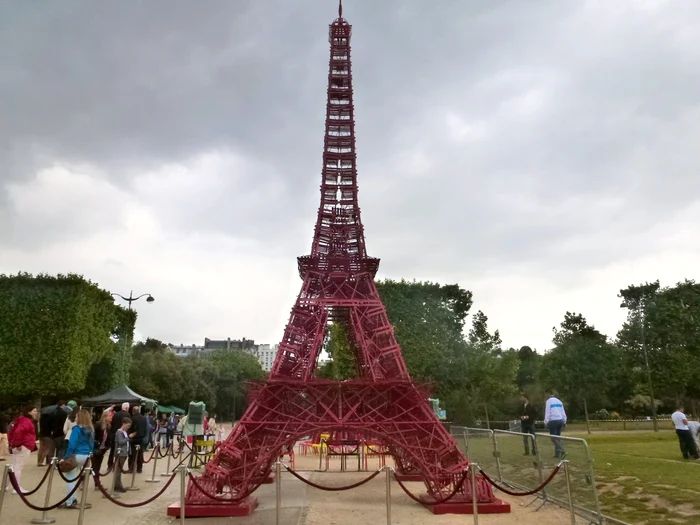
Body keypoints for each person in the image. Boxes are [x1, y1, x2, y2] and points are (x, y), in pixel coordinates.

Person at [59, 408, 94, 509]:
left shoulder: (76, 429)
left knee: (70, 478)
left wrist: (66, 457)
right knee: (79, 478)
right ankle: (75, 499)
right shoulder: (91, 429)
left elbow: (72, 444)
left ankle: (70, 501)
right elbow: (91, 444)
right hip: (86, 455)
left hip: (76, 454)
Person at [6, 405, 37, 492]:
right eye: (34, 411)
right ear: (29, 412)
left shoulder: (21, 420)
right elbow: (18, 432)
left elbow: (13, 431)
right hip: (23, 445)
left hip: (19, 444)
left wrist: (13, 443)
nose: (36, 412)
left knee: (13, 465)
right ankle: (16, 487)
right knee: (18, 467)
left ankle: (6, 485)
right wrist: (18, 444)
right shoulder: (27, 421)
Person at [92, 409, 114, 487]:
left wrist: (107, 447)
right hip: (95, 449)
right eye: (110, 416)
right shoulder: (98, 425)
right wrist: (96, 444)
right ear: (105, 417)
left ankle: (96, 483)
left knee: (97, 467)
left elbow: (108, 439)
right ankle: (97, 483)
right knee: (94, 467)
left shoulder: (108, 427)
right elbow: (92, 436)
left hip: (102, 449)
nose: (111, 417)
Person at [544, 391, 567, 458]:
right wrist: (564, 421)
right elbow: (563, 412)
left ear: (548, 394)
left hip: (553, 420)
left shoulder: (548, 401)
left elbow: (547, 412)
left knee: (554, 438)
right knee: (558, 437)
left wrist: (546, 421)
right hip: (560, 420)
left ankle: (563, 451)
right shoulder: (559, 401)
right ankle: (557, 454)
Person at [108, 403, 130, 469]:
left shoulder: (116, 414)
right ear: (127, 408)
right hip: (123, 434)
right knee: (121, 451)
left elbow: (112, 424)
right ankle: (118, 465)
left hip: (114, 434)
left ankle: (110, 464)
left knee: (113, 450)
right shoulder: (127, 415)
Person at [113, 417, 132, 493]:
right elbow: (121, 442)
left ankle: (118, 485)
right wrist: (128, 438)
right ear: (123, 424)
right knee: (118, 470)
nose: (128, 428)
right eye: (127, 426)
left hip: (124, 452)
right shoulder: (119, 432)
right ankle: (117, 485)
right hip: (120, 453)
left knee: (119, 470)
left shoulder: (124, 432)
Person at [128, 406, 147, 473]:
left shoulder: (132, 418)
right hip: (141, 438)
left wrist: (130, 435)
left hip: (134, 437)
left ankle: (131, 467)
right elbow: (145, 428)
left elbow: (131, 428)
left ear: (133, 411)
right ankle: (139, 468)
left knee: (132, 454)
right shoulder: (144, 418)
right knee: (140, 454)